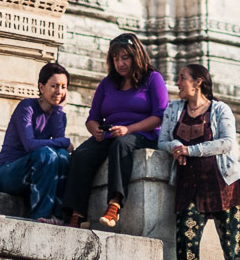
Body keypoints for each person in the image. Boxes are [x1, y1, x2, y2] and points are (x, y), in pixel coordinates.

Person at [61, 33, 168, 228]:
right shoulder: (107, 83)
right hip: (110, 133)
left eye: (125, 57)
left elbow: (160, 116)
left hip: (143, 134)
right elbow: (92, 118)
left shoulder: (153, 79)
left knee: (120, 145)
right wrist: (96, 131)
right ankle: (77, 213)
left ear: (137, 56)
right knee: (81, 155)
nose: (120, 63)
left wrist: (128, 129)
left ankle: (115, 203)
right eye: (116, 59)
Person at [158, 63, 240, 260]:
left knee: (233, 250)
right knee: (185, 244)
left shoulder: (220, 110)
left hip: (223, 184)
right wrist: (176, 145)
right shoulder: (173, 109)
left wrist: (191, 150)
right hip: (188, 185)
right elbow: (161, 142)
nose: (177, 83)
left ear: (198, 82)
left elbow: (227, 143)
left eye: (182, 78)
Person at [0, 63, 73, 224]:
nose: (59, 91)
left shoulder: (59, 115)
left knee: (63, 156)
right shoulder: (27, 107)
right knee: (47, 154)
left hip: (37, 173)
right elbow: (29, 144)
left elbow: (60, 150)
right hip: (8, 173)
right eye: (54, 86)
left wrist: (58, 111)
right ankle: (39, 216)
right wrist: (63, 141)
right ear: (41, 88)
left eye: (63, 87)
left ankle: (56, 216)